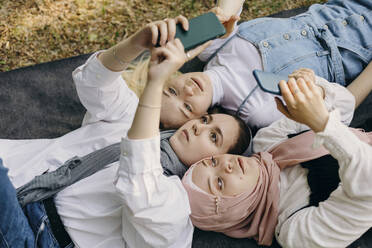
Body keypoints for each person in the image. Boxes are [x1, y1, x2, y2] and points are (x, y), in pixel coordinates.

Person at [0, 17, 249, 248]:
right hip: (17, 175)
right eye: (204, 120)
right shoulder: (130, 116)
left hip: (36, 239)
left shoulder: (174, 206)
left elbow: (138, 178)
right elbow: (93, 82)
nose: (198, 126)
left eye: (213, 137)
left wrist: (155, 81)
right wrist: (137, 42)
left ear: (210, 161)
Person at [182, 62, 372, 247]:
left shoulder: (266, 143)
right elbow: (367, 191)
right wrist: (321, 122)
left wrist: (315, 92)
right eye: (219, 183)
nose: (227, 165)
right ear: (229, 211)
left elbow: (344, 106)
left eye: (213, 162)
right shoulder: (296, 233)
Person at [116, 0, 372, 130]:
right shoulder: (254, 110)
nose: (189, 91)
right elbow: (345, 102)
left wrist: (221, 13)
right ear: (201, 118)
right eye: (186, 107)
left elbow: (231, 6)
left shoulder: (209, 50)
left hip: (344, 7)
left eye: (171, 90)